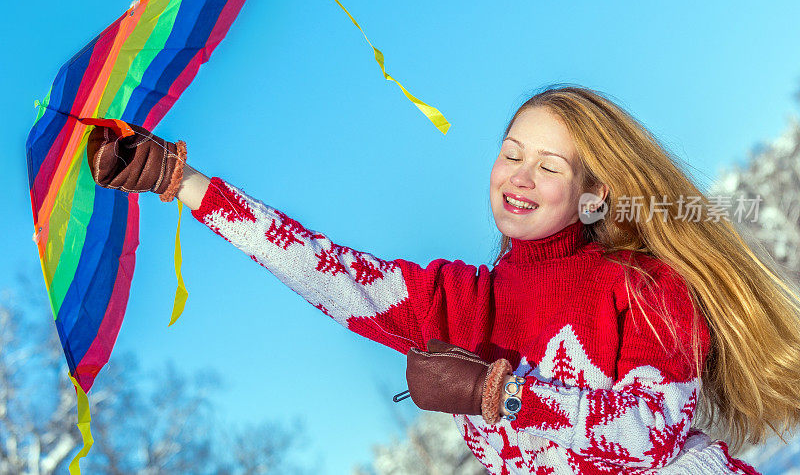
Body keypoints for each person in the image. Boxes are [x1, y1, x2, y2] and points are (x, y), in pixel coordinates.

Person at [86, 84, 800, 474]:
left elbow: (647, 436)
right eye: (512, 153)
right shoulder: (463, 301)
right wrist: (183, 182)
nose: (520, 176)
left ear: (596, 190)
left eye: (549, 165)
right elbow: (329, 271)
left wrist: (503, 395)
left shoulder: (645, 287)